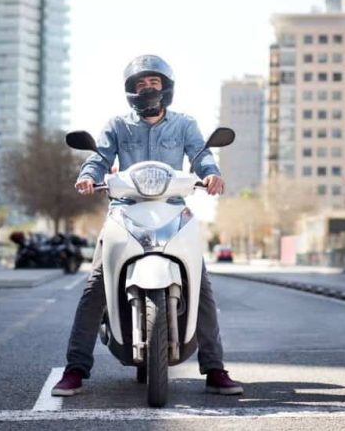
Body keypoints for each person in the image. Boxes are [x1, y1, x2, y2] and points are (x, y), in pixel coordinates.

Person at [51, 55, 243, 397]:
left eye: (153, 83)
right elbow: (99, 157)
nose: (147, 89)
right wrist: (87, 177)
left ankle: (214, 368)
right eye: (140, 84)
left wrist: (211, 174)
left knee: (200, 286)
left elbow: (202, 154)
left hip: (172, 210)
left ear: (165, 88)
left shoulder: (184, 124)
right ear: (130, 91)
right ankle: (75, 368)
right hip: (125, 211)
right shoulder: (117, 125)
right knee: (96, 286)